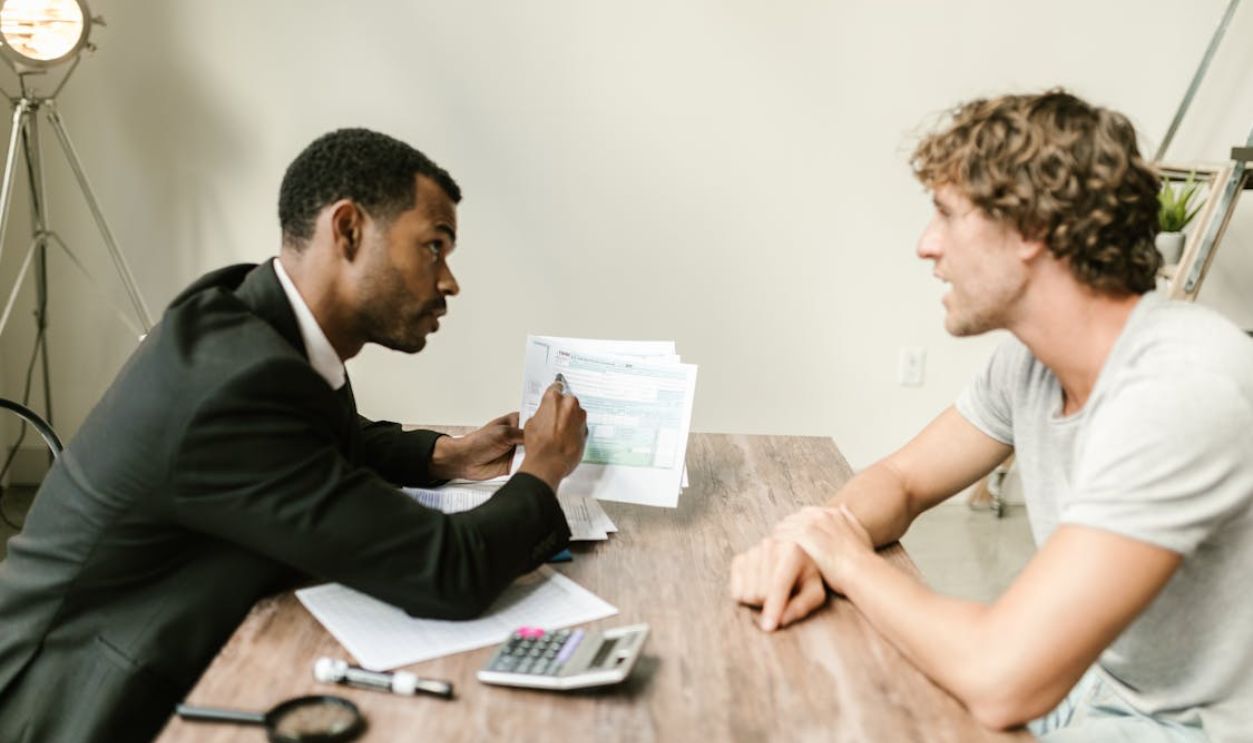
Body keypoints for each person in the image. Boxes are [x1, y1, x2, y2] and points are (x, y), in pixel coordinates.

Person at [0, 128, 588, 742]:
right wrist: (542, 470)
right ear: (349, 230)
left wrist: (442, 455)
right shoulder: (236, 386)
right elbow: (447, 572)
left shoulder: (246, 314)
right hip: (71, 704)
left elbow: (309, 437)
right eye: (434, 248)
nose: (449, 282)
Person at [730, 90, 1253, 742]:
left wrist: (841, 557)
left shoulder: (1182, 386)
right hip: (1094, 690)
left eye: (946, 215)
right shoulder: (1027, 365)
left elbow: (1003, 676)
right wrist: (810, 536)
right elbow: (902, 480)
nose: (926, 245)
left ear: (1031, 229)